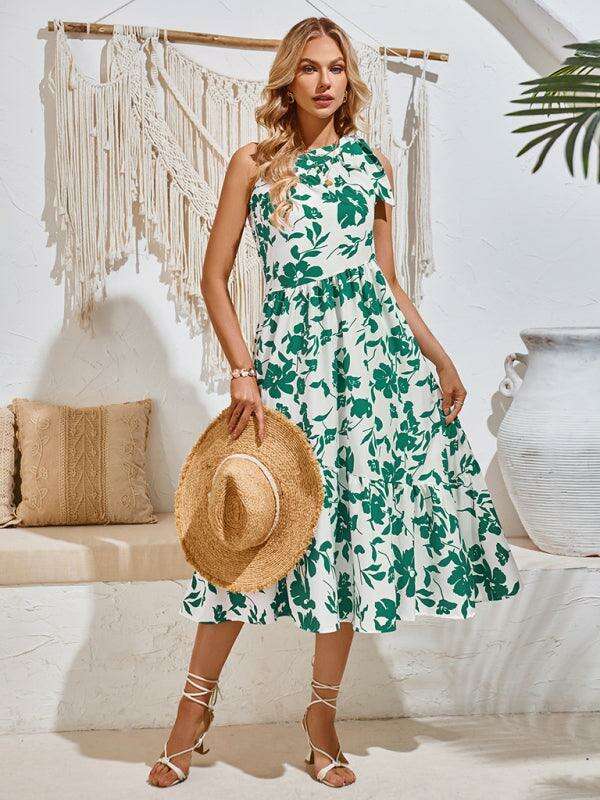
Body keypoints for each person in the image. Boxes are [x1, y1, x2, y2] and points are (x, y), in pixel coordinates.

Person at [148, 15, 521, 789]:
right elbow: (213, 277)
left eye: (337, 68)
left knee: (348, 538)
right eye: (311, 67)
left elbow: (386, 282)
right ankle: (192, 709)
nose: (325, 81)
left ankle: (321, 717)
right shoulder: (254, 164)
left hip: (370, 380)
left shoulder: (373, 165)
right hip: (286, 378)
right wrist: (242, 372)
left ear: (350, 79)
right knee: (243, 539)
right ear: (289, 78)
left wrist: (440, 356)